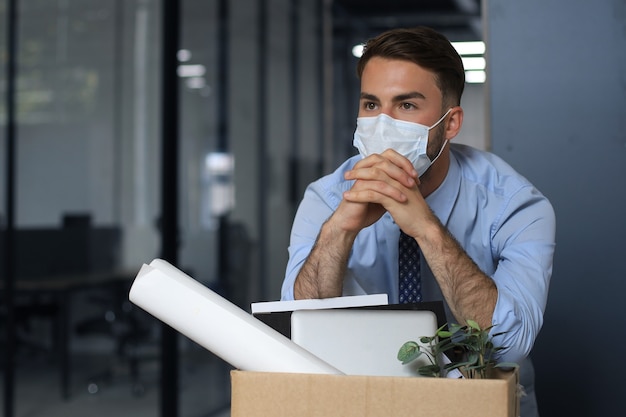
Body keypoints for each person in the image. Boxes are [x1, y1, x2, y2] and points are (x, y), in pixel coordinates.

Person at [280, 26, 556, 416]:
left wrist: (426, 228)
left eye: (407, 106)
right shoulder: (327, 199)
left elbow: (507, 346)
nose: (383, 123)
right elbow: (296, 333)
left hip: (478, 408)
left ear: (451, 123)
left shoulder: (514, 205)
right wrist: (340, 229)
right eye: (371, 105)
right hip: (364, 404)